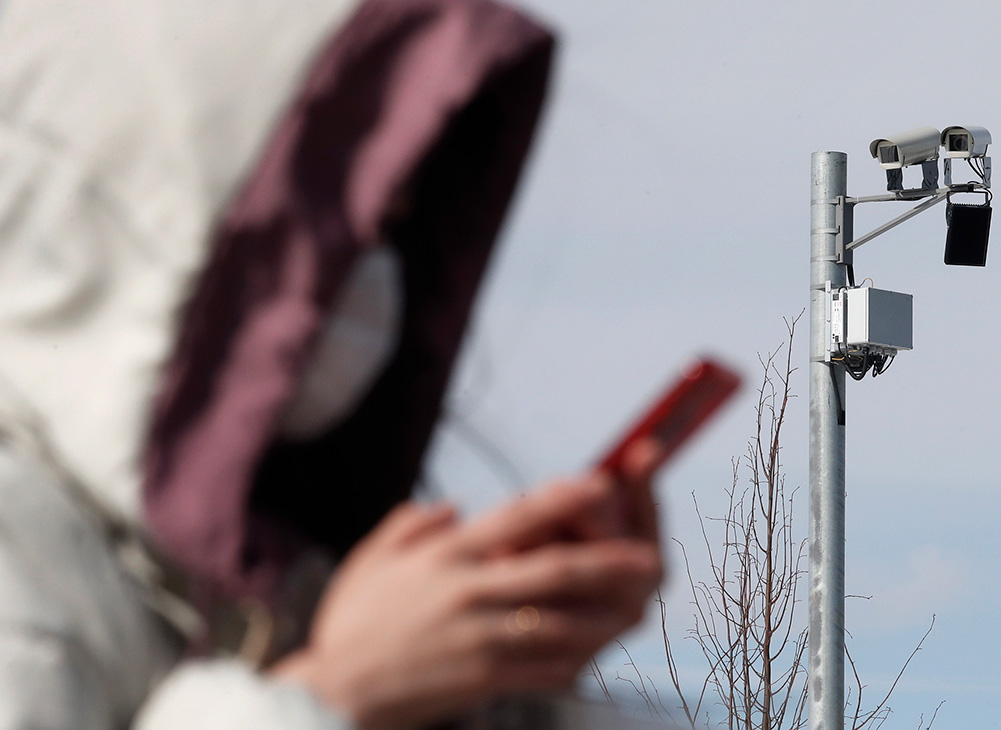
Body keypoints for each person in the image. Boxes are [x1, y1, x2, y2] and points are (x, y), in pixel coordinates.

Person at [0, 1, 663, 729]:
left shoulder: (282, 578)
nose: (377, 277)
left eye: (395, 231)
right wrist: (329, 694)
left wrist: (504, 672)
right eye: (333, 233)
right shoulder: (21, 568)